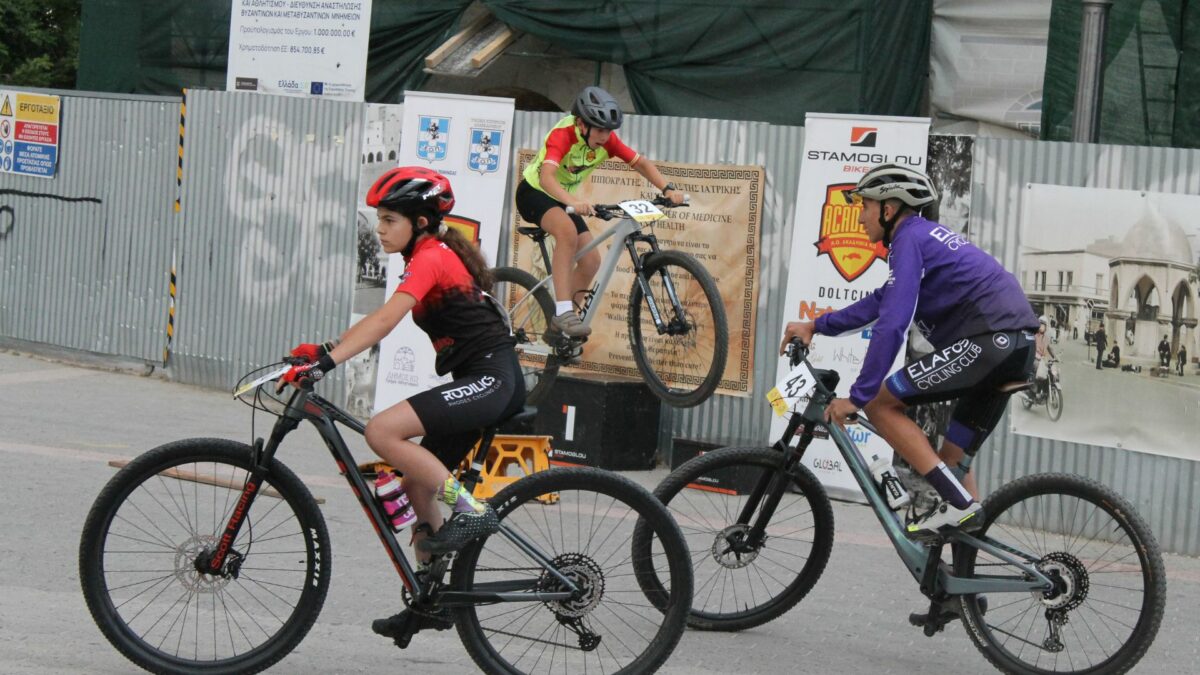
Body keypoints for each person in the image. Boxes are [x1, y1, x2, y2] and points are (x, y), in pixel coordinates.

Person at [279, 166, 524, 577]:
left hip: (491, 380)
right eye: (379, 219)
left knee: (381, 431)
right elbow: (378, 318)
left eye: (390, 219)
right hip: (478, 379)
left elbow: (385, 321)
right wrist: (325, 350)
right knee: (414, 487)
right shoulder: (425, 255)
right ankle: (431, 590)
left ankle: (470, 510)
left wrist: (325, 365)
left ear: (420, 222)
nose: (380, 228)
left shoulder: (432, 257)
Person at [780, 164, 1037, 539]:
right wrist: (815, 325)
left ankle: (959, 505)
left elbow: (892, 324)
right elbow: (880, 303)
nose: (860, 215)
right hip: (1013, 346)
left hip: (990, 343)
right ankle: (963, 571)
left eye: (865, 205)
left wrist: (859, 396)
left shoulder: (909, 239)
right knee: (952, 466)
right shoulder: (923, 238)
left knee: (880, 405)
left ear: (888, 209)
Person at [515, 86, 685, 338]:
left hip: (563, 199)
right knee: (567, 231)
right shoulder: (563, 135)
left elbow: (640, 163)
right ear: (582, 124)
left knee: (591, 261)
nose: (605, 136)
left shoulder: (608, 140)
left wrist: (668, 189)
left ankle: (558, 331)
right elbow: (547, 178)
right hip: (535, 192)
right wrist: (573, 201)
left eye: (609, 130)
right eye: (600, 129)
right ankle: (563, 312)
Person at [1034, 319, 1056, 395]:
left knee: (1052, 370)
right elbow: (1033, 349)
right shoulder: (1035, 336)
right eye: (1040, 326)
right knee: (1040, 372)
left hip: (1044, 359)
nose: (1042, 327)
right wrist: (1037, 356)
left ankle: (1047, 389)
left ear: (1046, 327)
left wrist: (1055, 357)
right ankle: (1037, 391)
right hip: (1035, 359)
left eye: (1043, 326)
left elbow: (1050, 348)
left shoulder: (1046, 338)